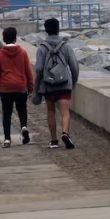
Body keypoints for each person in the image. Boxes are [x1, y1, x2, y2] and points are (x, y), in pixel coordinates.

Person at [34, 18, 79, 149]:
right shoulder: (66, 46)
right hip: (64, 84)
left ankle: (54, 140)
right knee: (65, 112)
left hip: (48, 85)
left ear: (46, 30)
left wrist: (38, 85)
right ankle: (65, 133)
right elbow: (74, 66)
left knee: (51, 111)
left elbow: (39, 69)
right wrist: (73, 81)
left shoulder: (42, 48)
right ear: (58, 29)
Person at [0, 27, 33, 148]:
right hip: (20, 86)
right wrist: (30, 87)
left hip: (6, 87)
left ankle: (7, 139)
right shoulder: (23, 52)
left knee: (7, 113)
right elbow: (28, 71)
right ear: (15, 38)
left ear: (4, 39)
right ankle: (23, 126)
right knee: (22, 109)